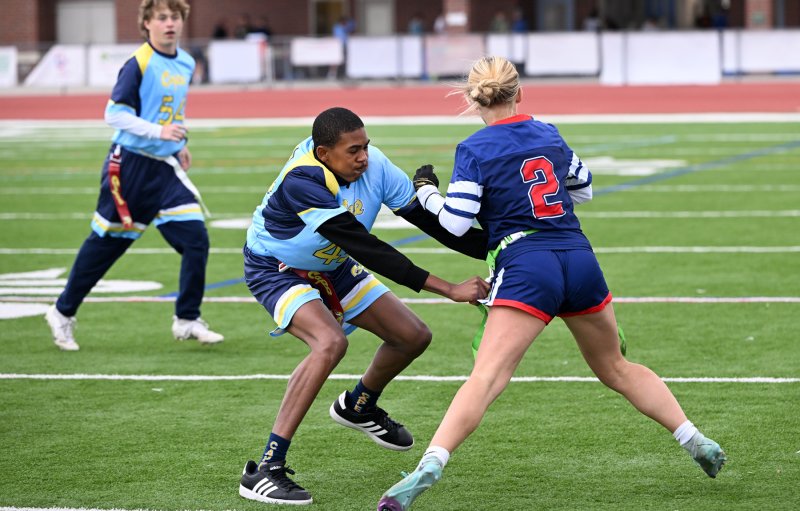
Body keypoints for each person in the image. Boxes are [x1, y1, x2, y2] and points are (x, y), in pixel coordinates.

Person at [377, 56, 727, 510]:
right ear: (518, 93)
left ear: (472, 99)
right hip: (579, 258)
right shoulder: (548, 132)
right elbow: (583, 188)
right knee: (617, 367)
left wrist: (425, 191)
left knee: (486, 378)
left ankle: (430, 464)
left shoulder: (474, 148)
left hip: (526, 264)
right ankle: (693, 438)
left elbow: (458, 223)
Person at [238, 107, 490, 505]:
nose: (364, 158)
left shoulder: (376, 167)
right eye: (353, 150)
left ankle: (359, 405)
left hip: (333, 263)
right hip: (278, 268)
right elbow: (366, 247)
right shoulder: (303, 179)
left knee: (411, 336)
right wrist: (449, 288)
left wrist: (497, 243)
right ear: (323, 152)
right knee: (330, 343)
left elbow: (428, 221)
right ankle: (266, 467)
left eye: (366, 147)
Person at [44, 0, 223, 351]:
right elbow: (114, 114)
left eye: (175, 17)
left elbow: (171, 112)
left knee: (195, 239)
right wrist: (159, 133)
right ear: (146, 23)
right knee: (107, 247)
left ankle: (187, 318)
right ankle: (62, 312)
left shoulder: (186, 62)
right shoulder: (138, 63)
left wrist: (175, 144)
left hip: (164, 171)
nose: (169, 23)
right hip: (129, 169)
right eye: (161, 17)